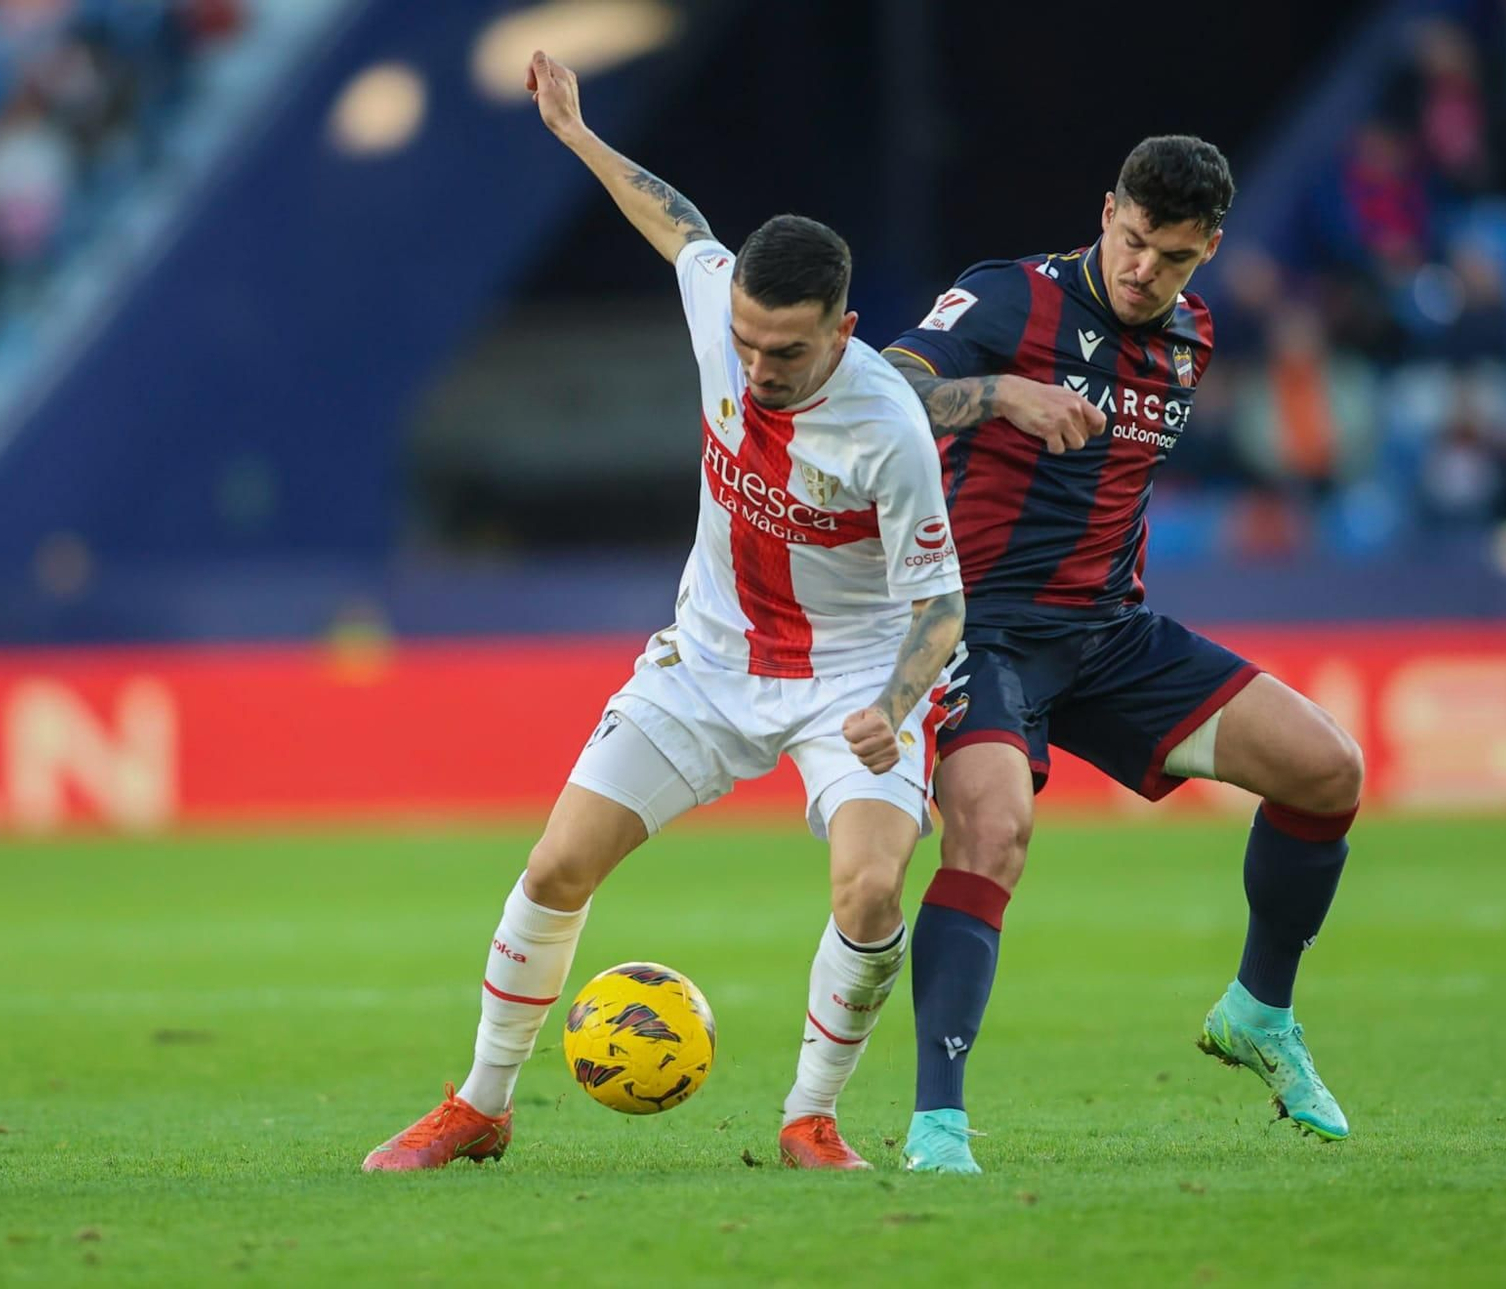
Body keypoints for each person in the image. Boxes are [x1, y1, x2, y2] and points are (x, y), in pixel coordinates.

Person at [364, 51, 965, 1173]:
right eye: (744, 340)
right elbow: (678, 221)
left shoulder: (888, 431)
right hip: (704, 658)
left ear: (840, 331)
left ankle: (808, 1117)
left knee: (874, 883)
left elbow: (940, 604)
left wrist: (892, 702)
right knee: (553, 868)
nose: (755, 364)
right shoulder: (723, 309)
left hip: (849, 681)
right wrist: (578, 134)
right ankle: (482, 1103)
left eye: (784, 350)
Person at [882, 135, 1364, 1173]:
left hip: (1106, 637)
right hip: (982, 627)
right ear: (1106, 211)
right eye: (1134, 241)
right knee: (994, 829)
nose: (1145, 270)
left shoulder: (1189, 336)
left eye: (1174, 256)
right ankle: (937, 1124)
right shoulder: (1007, 299)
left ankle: (1258, 1011)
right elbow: (879, 392)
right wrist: (1002, 395)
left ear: (1209, 251)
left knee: (1327, 770)